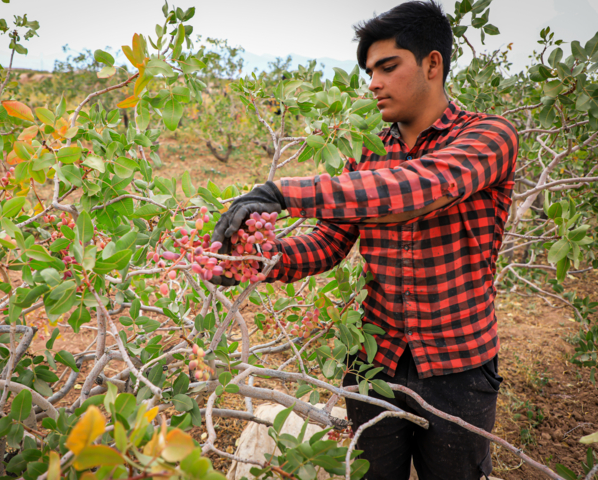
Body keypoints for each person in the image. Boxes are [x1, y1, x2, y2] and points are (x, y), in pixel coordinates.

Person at [210, 1, 518, 479]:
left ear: (432, 64)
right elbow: (328, 242)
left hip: (460, 368)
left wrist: (280, 193)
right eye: (369, 70)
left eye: (387, 67)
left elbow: (416, 188)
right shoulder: (367, 152)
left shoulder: (488, 137)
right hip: (374, 363)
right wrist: (254, 261)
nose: (373, 82)